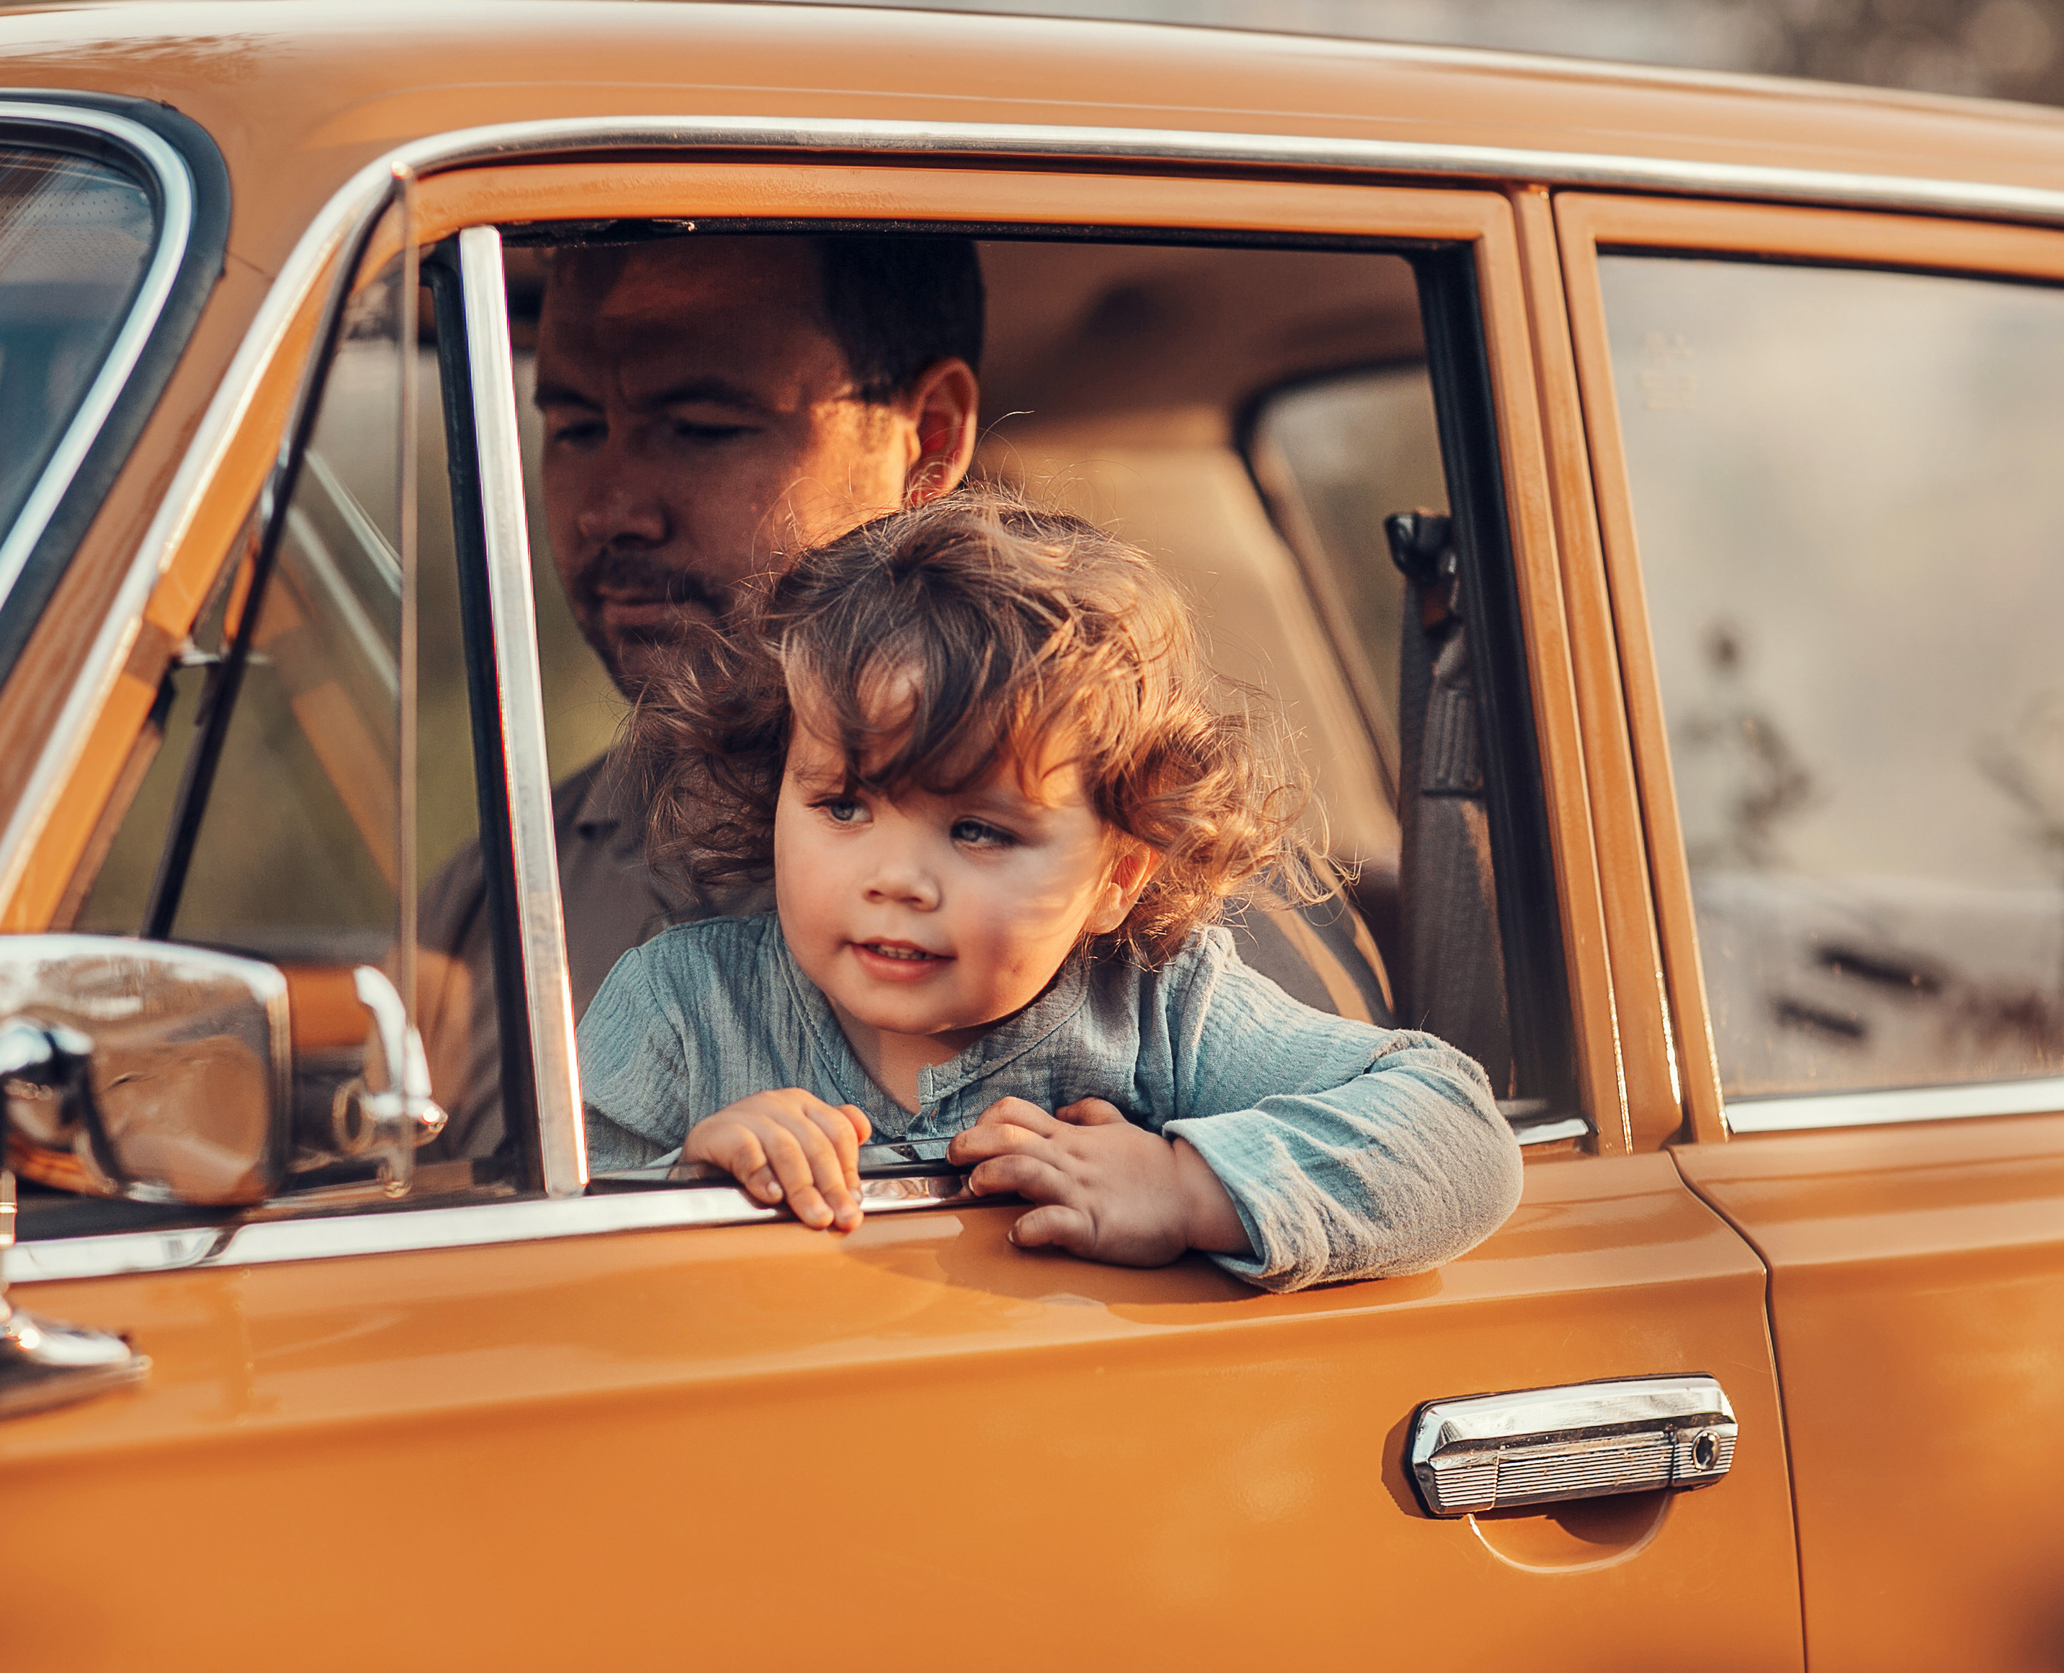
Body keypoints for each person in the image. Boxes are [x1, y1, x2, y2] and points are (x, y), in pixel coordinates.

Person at [420, 231, 1391, 1163]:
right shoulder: (498, 884)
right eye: (575, 428)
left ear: (927, 440)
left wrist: (1179, 1182)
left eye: (702, 428)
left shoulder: (1174, 942)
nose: (609, 507)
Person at [577, 495, 1520, 1291]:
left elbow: (1459, 1136)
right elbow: (539, 1273)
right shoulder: (680, 1009)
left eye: (978, 829)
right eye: (843, 805)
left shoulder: (1160, 1010)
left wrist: (1188, 1189)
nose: (895, 879)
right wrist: (686, 1177)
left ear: (1116, 876)